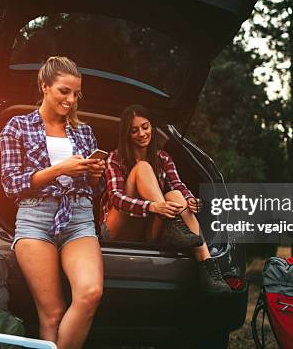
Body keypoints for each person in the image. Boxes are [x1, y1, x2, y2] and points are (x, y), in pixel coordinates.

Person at [0, 56, 106, 349]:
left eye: (75, 93)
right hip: (35, 218)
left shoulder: (84, 131)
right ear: (44, 86)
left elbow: (95, 191)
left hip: (79, 217)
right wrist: (60, 169)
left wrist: (94, 175)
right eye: (63, 91)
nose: (71, 100)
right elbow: (11, 183)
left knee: (90, 292)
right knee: (52, 313)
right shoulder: (17, 126)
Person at [98, 104, 231, 294]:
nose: (142, 133)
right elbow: (116, 198)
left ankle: (208, 268)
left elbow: (178, 186)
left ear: (152, 126)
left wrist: (191, 200)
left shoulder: (164, 158)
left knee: (176, 196)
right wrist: (153, 207)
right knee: (142, 168)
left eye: (145, 127)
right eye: (134, 130)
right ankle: (172, 224)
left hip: (149, 230)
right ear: (126, 134)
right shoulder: (115, 158)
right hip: (118, 229)